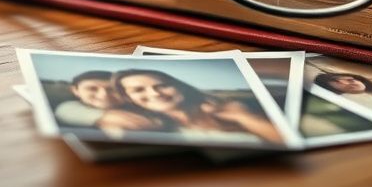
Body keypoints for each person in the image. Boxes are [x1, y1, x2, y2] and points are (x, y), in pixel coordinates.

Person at [112, 69, 284, 145]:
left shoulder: (229, 108)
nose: (155, 94)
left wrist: (243, 117)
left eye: (161, 85)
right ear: (128, 98)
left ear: (179, 86)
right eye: (138, 90)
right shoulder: (135, 122)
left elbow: (285, 139)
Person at [54, 71, 169, 133]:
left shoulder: (145, 106)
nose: (104, 95)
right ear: (75, 90)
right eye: (92, 89)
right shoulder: (68, 108)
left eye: (111, 89)